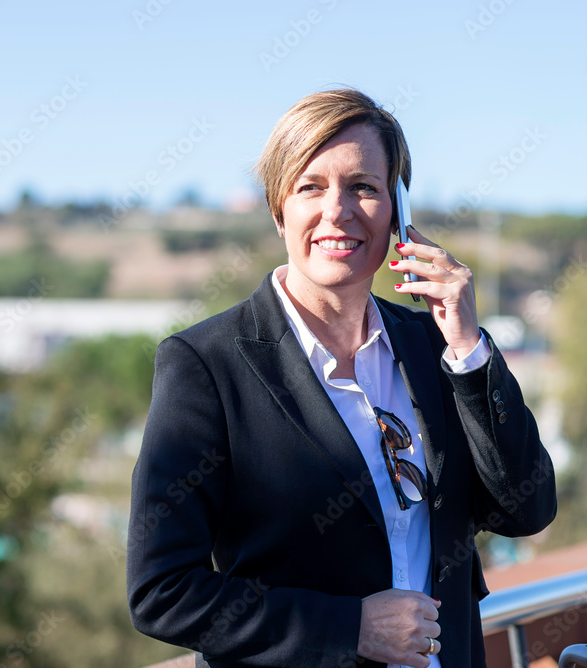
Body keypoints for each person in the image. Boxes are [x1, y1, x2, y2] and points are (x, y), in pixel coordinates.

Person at [126, 88, 557, 668]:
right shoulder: (205, 365)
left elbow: (525, 510)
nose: (338, 210)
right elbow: (162, 592)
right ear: (280, 211)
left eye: (363, 187)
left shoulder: (437, 347)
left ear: (398, 212)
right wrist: (350, 627)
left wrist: (467, 347)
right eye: (311, 187)